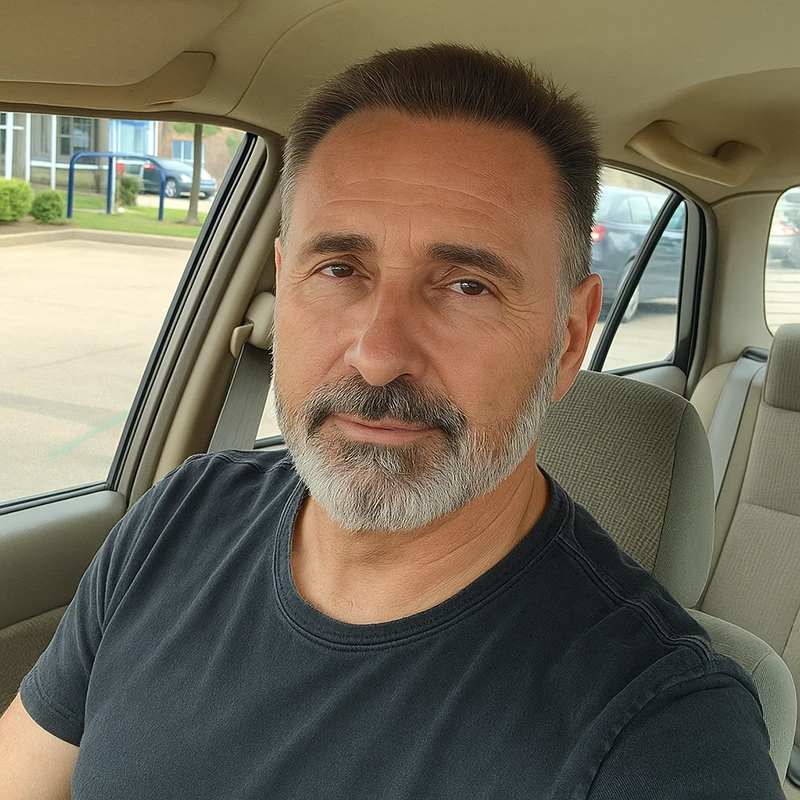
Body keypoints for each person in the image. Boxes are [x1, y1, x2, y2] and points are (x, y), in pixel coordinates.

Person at [0, 44, 784, 799]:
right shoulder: (180, 516)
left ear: (570, 338)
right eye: (340, 269)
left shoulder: (662, 729)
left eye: (467, 286)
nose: (378, 358)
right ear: (285, 281)